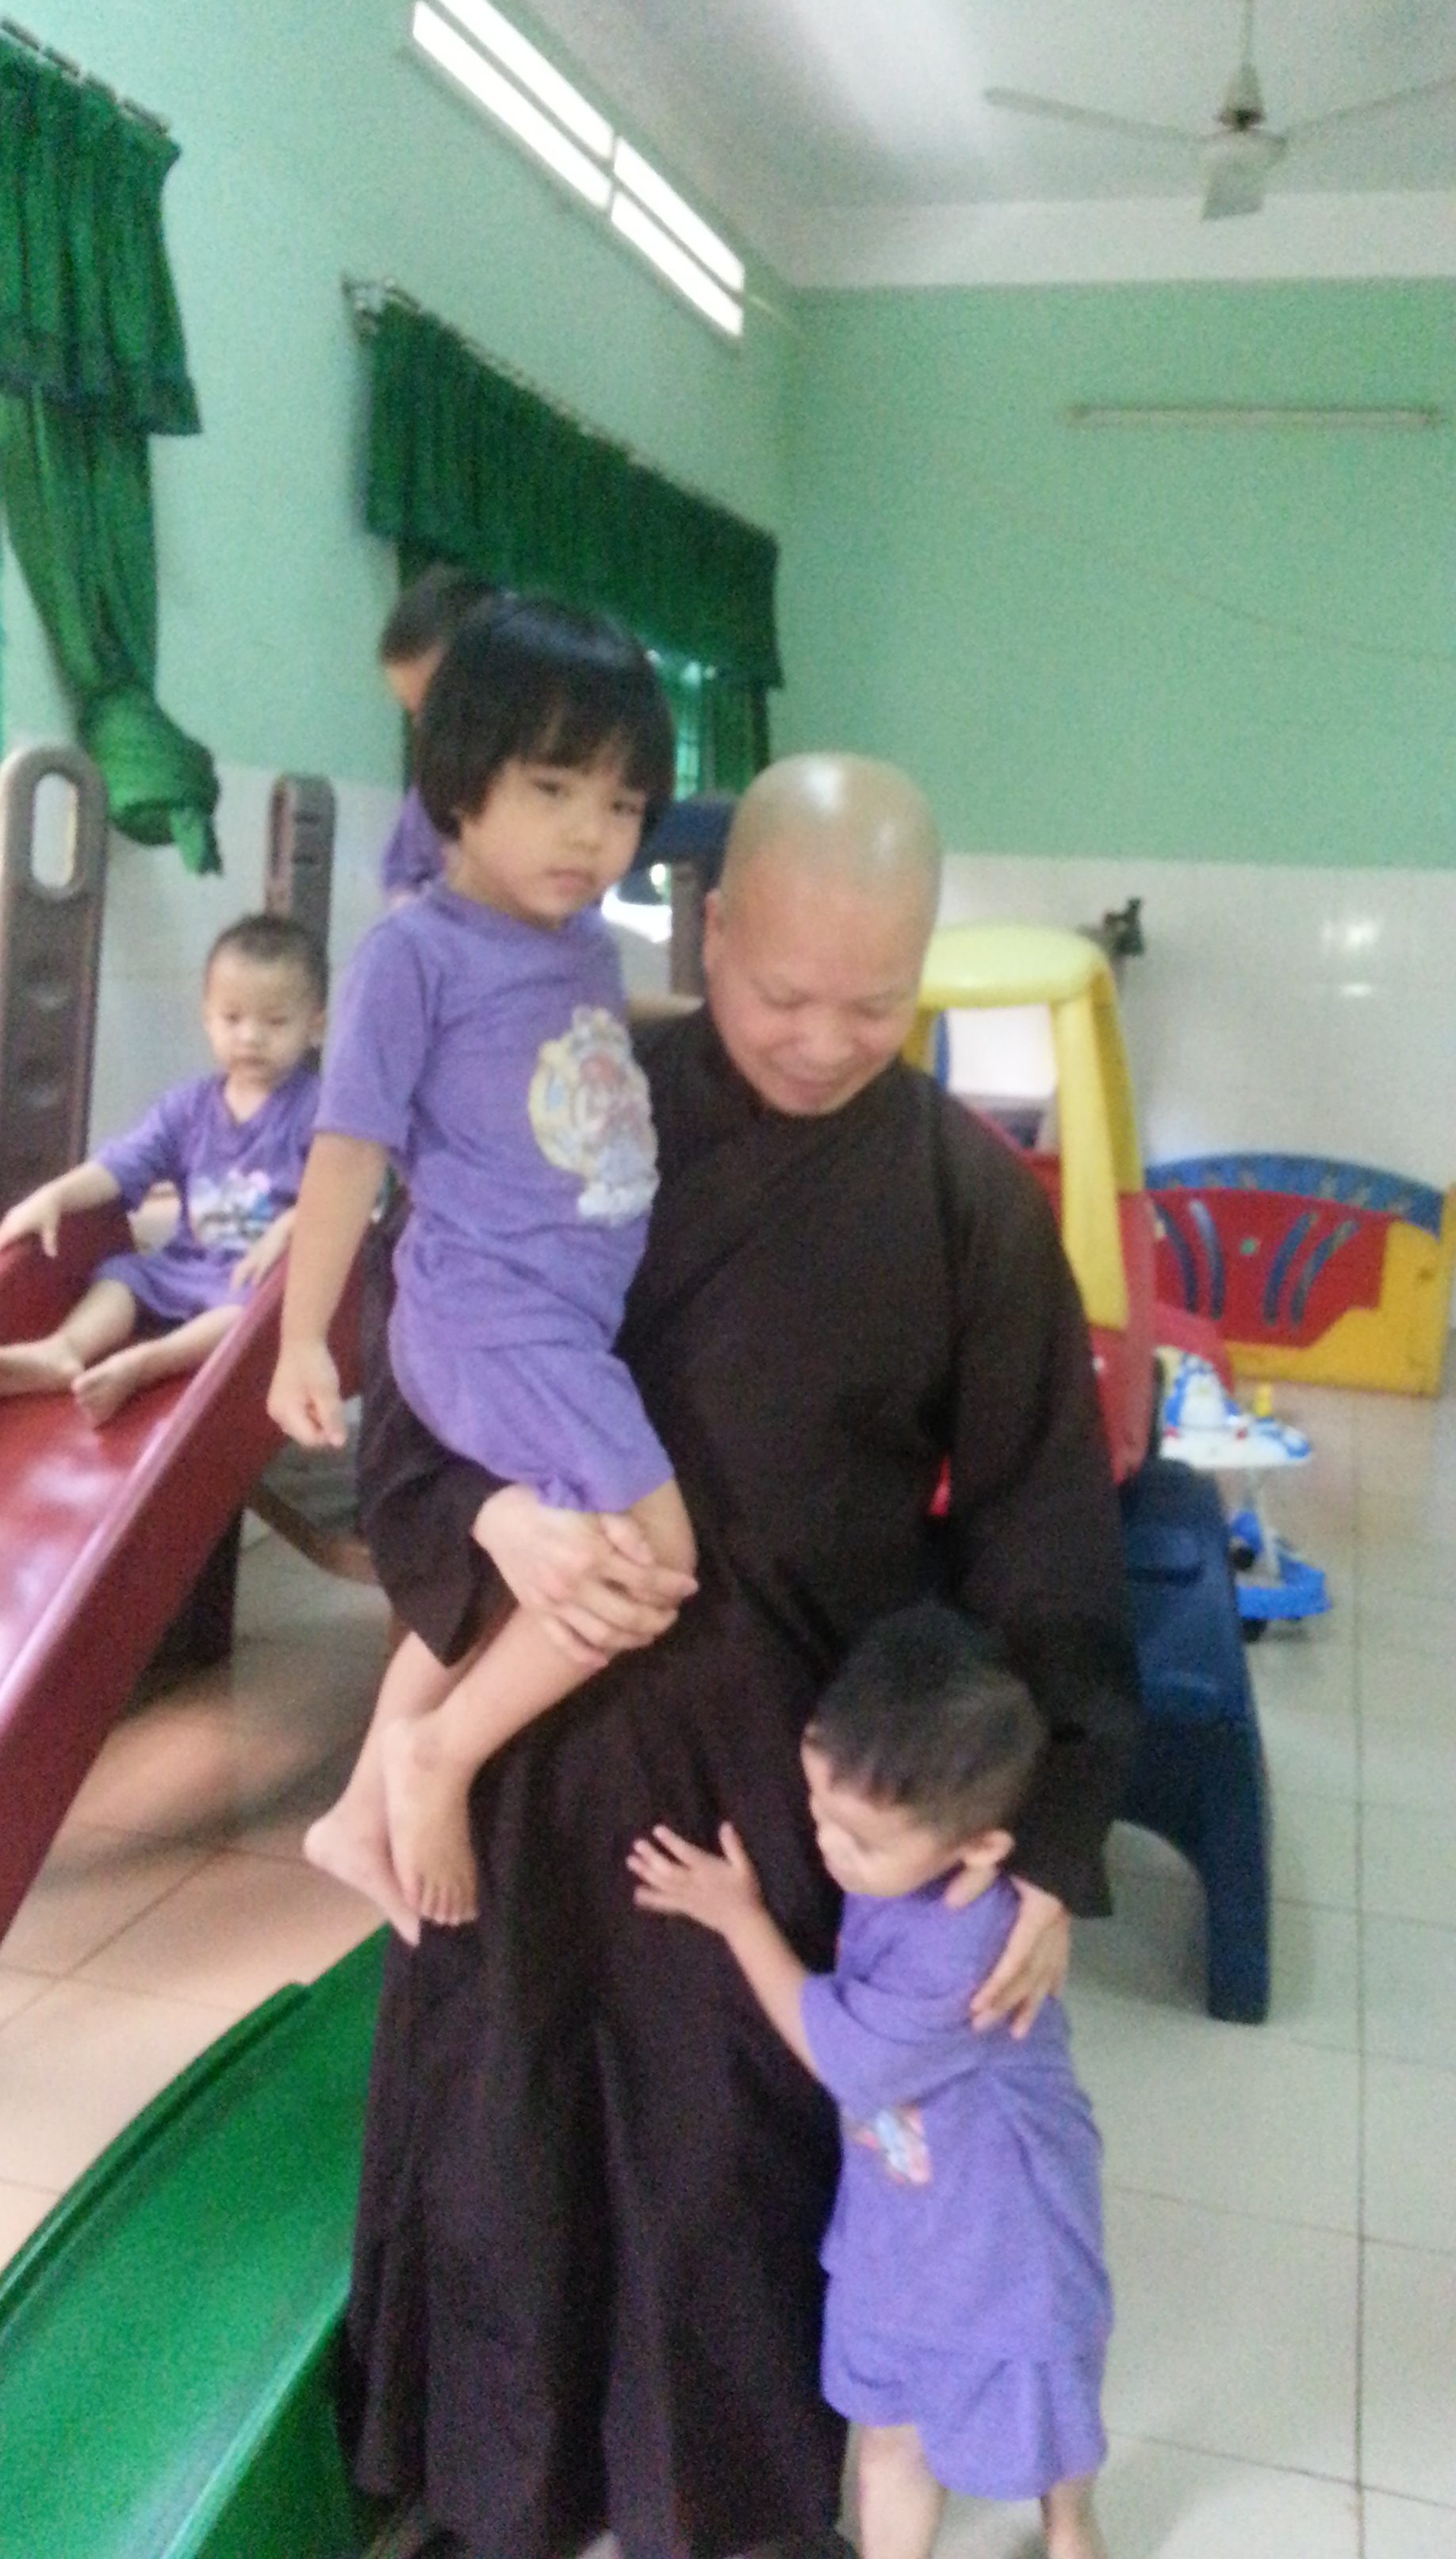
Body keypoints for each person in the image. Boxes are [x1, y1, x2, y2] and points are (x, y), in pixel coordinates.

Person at [340, 750, 1140, 2559]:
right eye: (784, 992)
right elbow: (412, 1377)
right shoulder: (556, 1106)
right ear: (709, 932)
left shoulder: (967, 1200)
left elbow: (1040, 1526)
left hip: (790, 1770)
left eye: (877, 1001)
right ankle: (500, 2491)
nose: (825, 1039)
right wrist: (491, 1519)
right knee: (503, 2121)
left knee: (727, 2155)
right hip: (532, 1746)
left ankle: (725, 2508)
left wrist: (1053, 1838)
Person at [269, 598, 696, 1939]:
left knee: (544, 1567)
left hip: (559, 1322)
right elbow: (345, 1154)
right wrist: (302, 1338)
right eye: (554, 789)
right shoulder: (416, 952)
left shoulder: (581, 945)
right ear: (460, 780)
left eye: (622, 804)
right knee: (653, 1557)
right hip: (491, 1321)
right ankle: (436, 1755)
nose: (592, 834)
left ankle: (355, 1812)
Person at [630, 1602, 1111, 2559]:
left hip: (1005, 2252)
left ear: (981, 1848)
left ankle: (1072, 2526)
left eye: (862, 1840)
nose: (827, 1847)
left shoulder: (968, 1952)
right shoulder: (896, 1871)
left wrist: (740, 1919)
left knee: (1045, 2408)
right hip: (894, 2235)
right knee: (888, 2432)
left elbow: (847, 2061)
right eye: (818, 1809)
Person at [0, 914, 324, 1428]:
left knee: (250, 1317)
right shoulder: (189, 1108)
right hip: (183, 1265)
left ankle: (151, 1361)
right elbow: (123, 1165)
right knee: (123, 1276)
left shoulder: (319, 1112)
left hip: (259, 1284)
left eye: (275, 1022)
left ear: (315, 1025)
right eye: (232, 1018)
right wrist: (55, 1196)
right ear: (207, 1018)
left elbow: (353, 1198)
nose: (251, 1037)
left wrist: (291, 1224)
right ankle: (62, 1350)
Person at [377, 563, 492, 900]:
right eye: (413, 713)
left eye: (436, 709)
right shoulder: (431, 793)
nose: (424, 728)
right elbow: (401, 886)